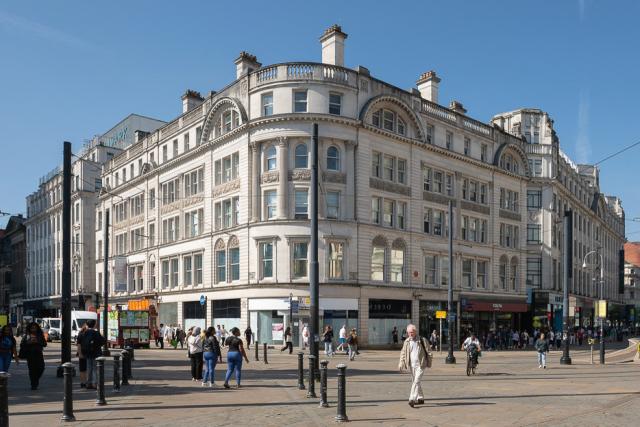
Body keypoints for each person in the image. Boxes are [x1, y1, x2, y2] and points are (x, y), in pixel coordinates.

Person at [398, 324, 430, 407]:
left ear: (415, 332)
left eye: (412, 332)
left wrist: (429, 362)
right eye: (409, 332)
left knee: (416, 381)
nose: (410, 334)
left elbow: (429, 352)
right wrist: (401, 363)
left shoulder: (422, 340)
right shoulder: (407, 341)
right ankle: (421, 398)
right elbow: (403, 353)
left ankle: (412, 398)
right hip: (412, 365)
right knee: (415, 381)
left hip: (421, 364)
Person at [19, 322, 47, 390]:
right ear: (29, 328)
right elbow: (22, 344)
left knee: (41, 368)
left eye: (35, 328)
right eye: (32, 328)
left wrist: (37, 341)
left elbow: (44, 344)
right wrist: (29, 343)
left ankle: (35, 380)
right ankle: (33, 384)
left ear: (37, 328)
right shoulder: (26, 335)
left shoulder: (40, 335)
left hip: (38, 354)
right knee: (32, 370)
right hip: (30, 355)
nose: (33, 329)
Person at [78, 319, 105, 389]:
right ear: (94, 325)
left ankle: (88, 383)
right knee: (95, 369)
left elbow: (80, 343)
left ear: (87, 324)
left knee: (89, 368)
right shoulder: (96, 332)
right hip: (96, 353)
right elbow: (103, 341)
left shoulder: (83, 332)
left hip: (87, 353)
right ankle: (94, 383)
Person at [76, 324, 88, 388]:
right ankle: (84, 382)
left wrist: (79, 353)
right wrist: (80, 353)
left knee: (83, 369)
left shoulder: (80, 334)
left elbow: (78, 345)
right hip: (84, 353)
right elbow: (79, 345)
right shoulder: (82, 335)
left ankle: (83, 382)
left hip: (83, 353)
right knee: (84, 369)